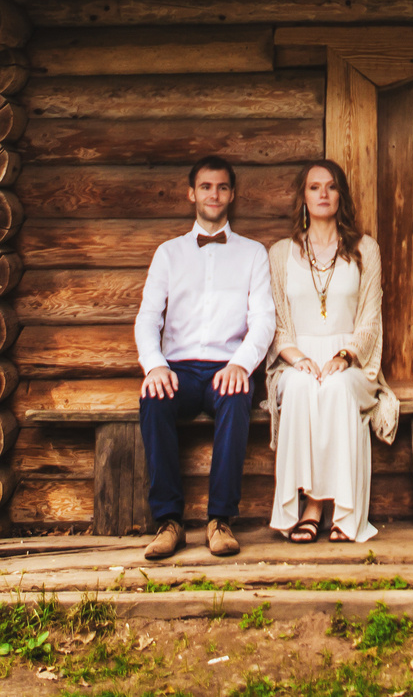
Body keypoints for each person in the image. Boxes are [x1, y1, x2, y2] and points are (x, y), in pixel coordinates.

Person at [134, 156, 273, 560]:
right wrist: (155, 364)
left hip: (225, 368)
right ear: (192, 193)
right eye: (206, 186)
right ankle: (168, 522)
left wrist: (241, 365)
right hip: (176, 369)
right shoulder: (169, 253)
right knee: (152, 398)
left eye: (223, 187)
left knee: (237, 397)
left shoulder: (252, 254)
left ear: (232, 194)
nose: (215, 194)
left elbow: (264, 320)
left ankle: (220, 521)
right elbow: (147, 316)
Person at [265, 158, 398, 543]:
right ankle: (310, 506)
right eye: (314, 187)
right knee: (304, 389)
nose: (323, 193)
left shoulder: (364, 249)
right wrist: (299, 359)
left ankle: (344, 509)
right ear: (303, 198)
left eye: (331, 187)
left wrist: (343, 357)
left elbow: (371, 319)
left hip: (352, 362)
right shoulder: (280, 254)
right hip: (297, 358)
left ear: (341, 196)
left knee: (337, 390)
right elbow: (278, 323)